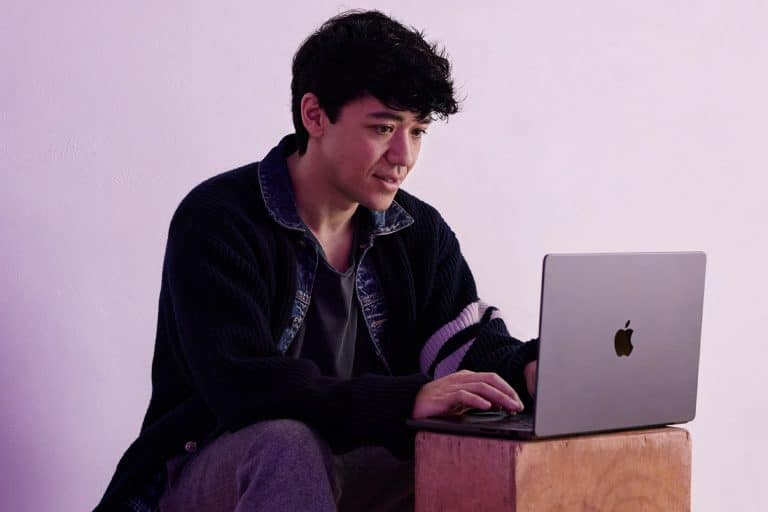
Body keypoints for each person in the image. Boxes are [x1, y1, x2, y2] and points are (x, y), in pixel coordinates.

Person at [94, 9, 539, 512]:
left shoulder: (417, 231)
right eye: (383, 127)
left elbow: (464, 348)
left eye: (417, 131)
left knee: (479, 447)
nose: (403, 155)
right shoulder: (219, 219)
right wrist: (405, 400)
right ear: (315, 116)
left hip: (346, 470)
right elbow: (242, 388)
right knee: (287, 444)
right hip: (213, 468)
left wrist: (530, 370)